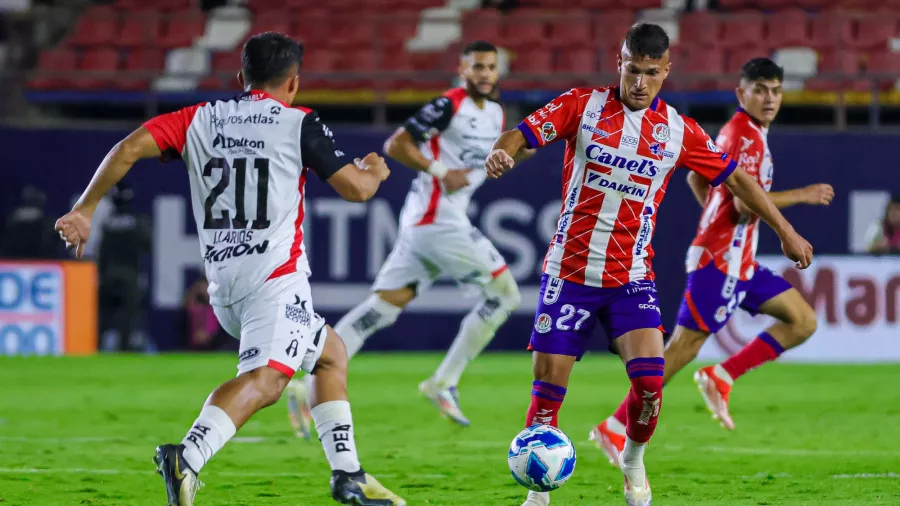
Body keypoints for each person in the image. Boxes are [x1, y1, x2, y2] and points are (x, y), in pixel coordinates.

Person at [54, 32, 405, 506]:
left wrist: (84, 208)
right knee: (268, 381)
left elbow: (130, 146)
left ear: (241, 78)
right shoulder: (297, 122)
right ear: (294, 83)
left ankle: (349, 475)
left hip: (223, 284)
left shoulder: (199, 118)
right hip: (274, 280)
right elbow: (356, 190)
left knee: (330, 355)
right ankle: (189, 456)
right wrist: (375, 171)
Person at [484, 25, 814, 506]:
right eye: (632, 70)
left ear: (666, 72)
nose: (639, 82)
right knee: (548, 393)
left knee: (650, 382)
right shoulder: (584, 105)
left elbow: (736, 180)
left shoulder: (678, 130)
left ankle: (634, 459)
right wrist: (501, 151)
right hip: (570, 273)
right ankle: (540, 493)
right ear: (620, 63)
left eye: (650, 74)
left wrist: (785, 229)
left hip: (630, 277)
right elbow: (519, 133)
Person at [590, 57, 834, 461]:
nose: (769, 98)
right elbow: (741, 204)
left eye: (775, 90)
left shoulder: (743, 131)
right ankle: (615, 426)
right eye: (760, 90)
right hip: (721, 263)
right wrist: (800, 197)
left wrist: (712, 216)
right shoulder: (746, 135)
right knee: (682, 348)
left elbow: (696, 176)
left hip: (740, 261)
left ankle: (721, 375)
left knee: (803, 320)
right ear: (742, 94)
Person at [286, 40, 527, 435]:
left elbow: (482, 161)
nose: (484, 73)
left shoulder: (497, 114)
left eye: (490, 67)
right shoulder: (449, 103)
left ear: (498, 72)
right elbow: (396, 143)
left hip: (426, 222)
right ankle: (443, 382)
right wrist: (439, 170)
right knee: (506, 295)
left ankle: (305, 383)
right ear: (462, 69)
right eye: (477, 66)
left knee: (381, 308)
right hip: (438, 219)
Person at [97, 182, 152, 351]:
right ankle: (124, 349)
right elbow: (147, 246)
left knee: (104, 317)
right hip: (130, 276)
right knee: (128, 318)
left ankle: (97, 347)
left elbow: (102, 254)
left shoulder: (107, 225)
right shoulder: (137, 223)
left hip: (108, 275)